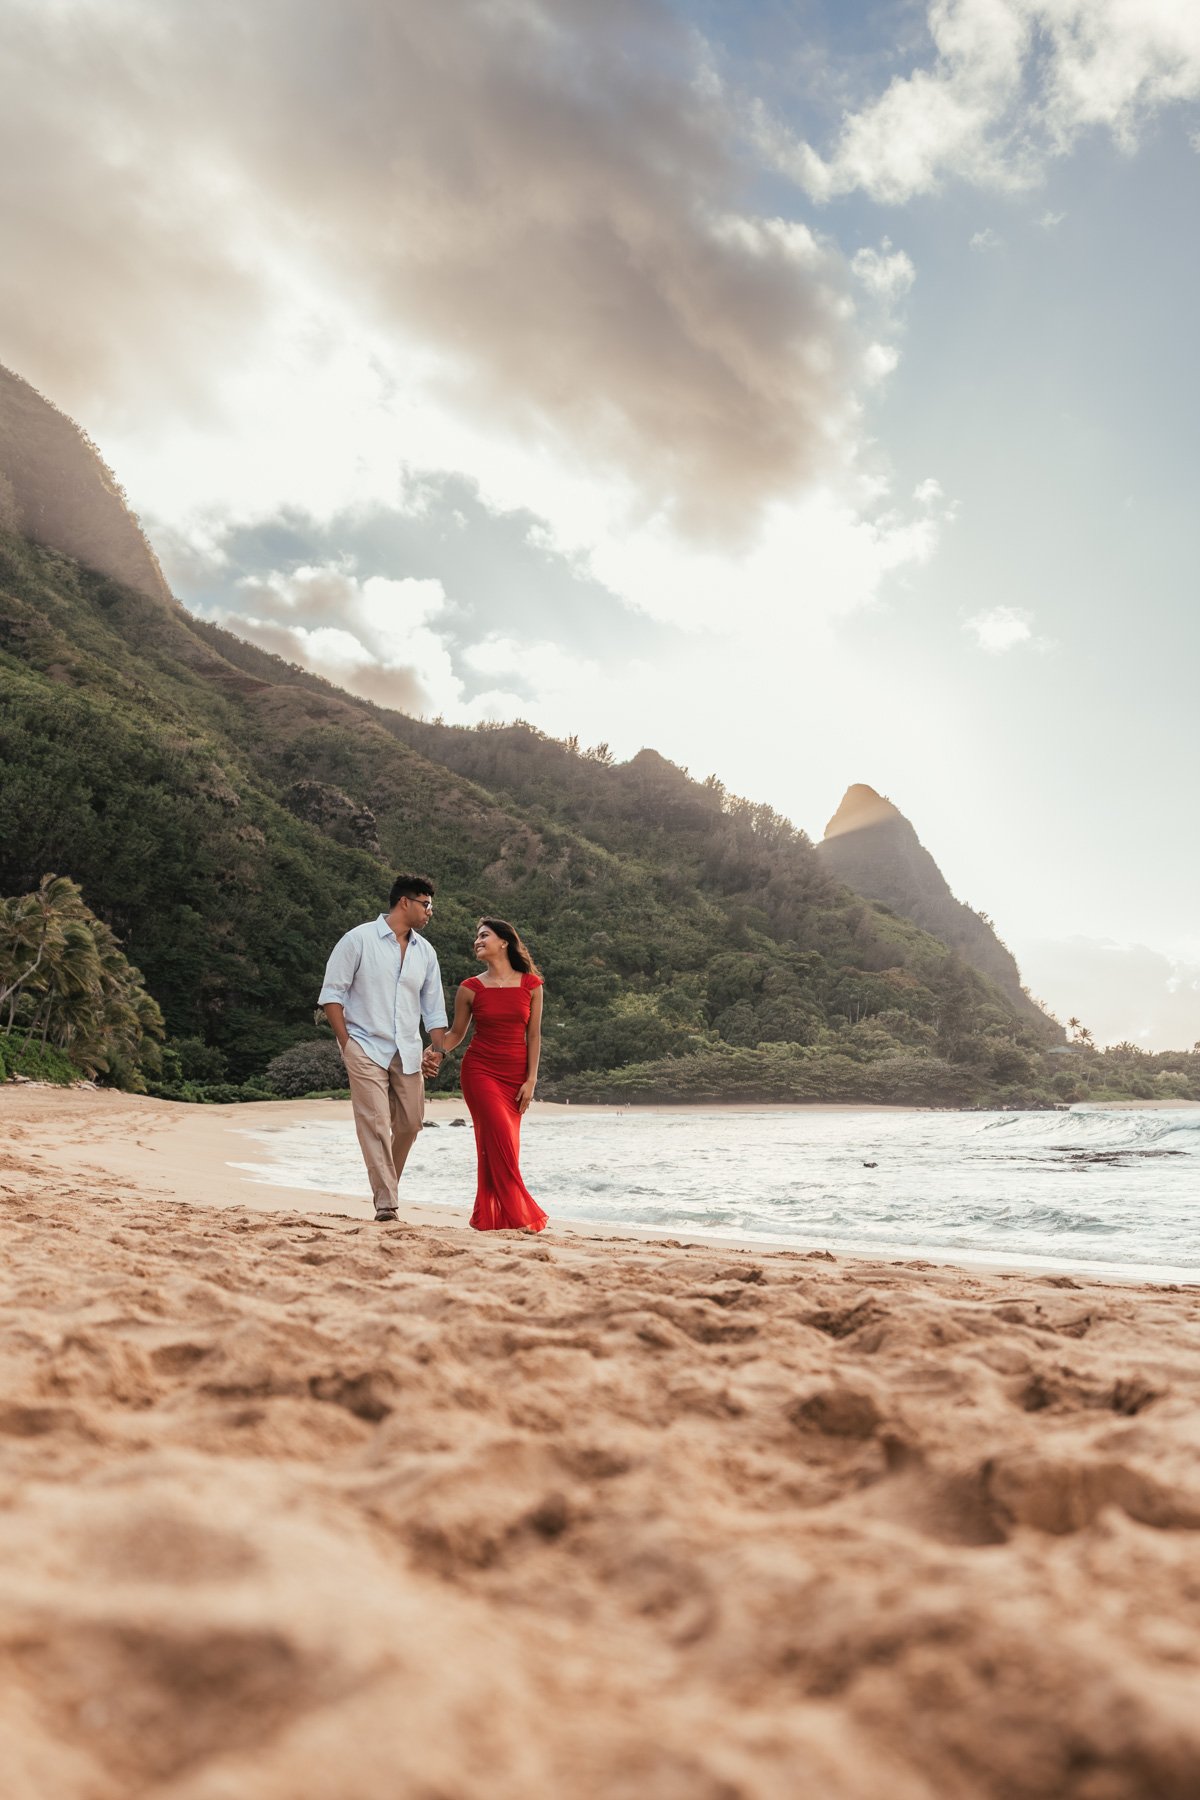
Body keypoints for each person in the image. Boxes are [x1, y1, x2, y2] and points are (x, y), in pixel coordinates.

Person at [319, 873, 447, 1223]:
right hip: (363, 1045)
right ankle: (387, 1203)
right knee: (375, 1122)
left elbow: (434, 1010)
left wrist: (437, 1050)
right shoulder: (357, 939)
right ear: (404, 902)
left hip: (407, 1049)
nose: (430, 911)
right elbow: (332, 995)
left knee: (410, 1123)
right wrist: (347, 1044)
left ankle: (385, 1185)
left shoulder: (426, 953)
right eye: (426, 904)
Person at [434, 917, 548, 1232]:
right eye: (476, 937)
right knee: (497, 1136)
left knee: (502, 1144)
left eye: (484, 935)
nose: (477, 941)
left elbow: (534, 1036)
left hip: (516, 1077)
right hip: (480, 1071)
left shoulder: (531, 985)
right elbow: (456, 1034)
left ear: (504, 942)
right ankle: (519, 1215)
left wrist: (531, 1080)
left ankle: (492, 1218)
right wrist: (433, 1051)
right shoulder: (470, 988)